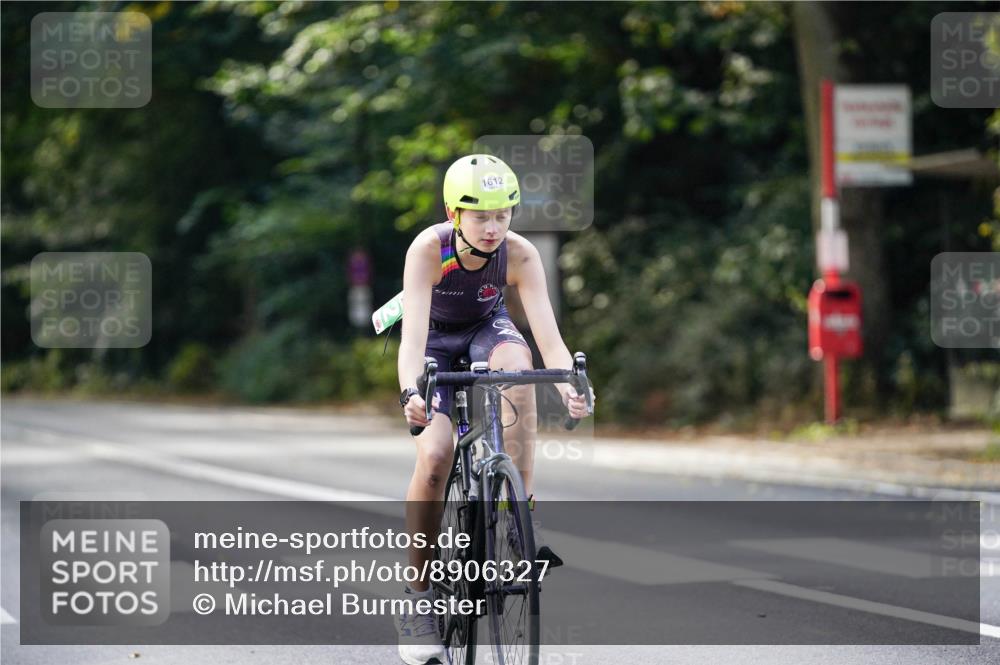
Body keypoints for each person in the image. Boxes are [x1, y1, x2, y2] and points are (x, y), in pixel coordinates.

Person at [393, 154, 592, 665]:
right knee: (435, 455)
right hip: (435, 343)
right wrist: (410, 393)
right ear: (453, 213)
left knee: (518, 370)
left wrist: (571, 383)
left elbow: (549, 337)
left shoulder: (520, 254)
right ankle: (417, 600)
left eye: (503, 214)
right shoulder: (428, 250)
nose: (493, 227)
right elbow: (412, 339)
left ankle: (518, 513)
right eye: (480, 215)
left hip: (487, 330)